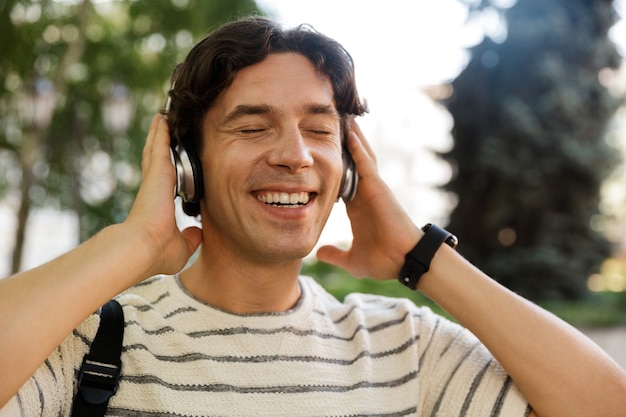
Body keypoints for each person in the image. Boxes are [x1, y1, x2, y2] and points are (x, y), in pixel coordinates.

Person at [1, 16, 625, 417]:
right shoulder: (92, 341)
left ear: (348, 168)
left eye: (319, 130)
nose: (294, 155)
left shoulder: (405, 346)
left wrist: (422, 255)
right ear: (185, 165)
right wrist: (133, 243)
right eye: (252, 126)